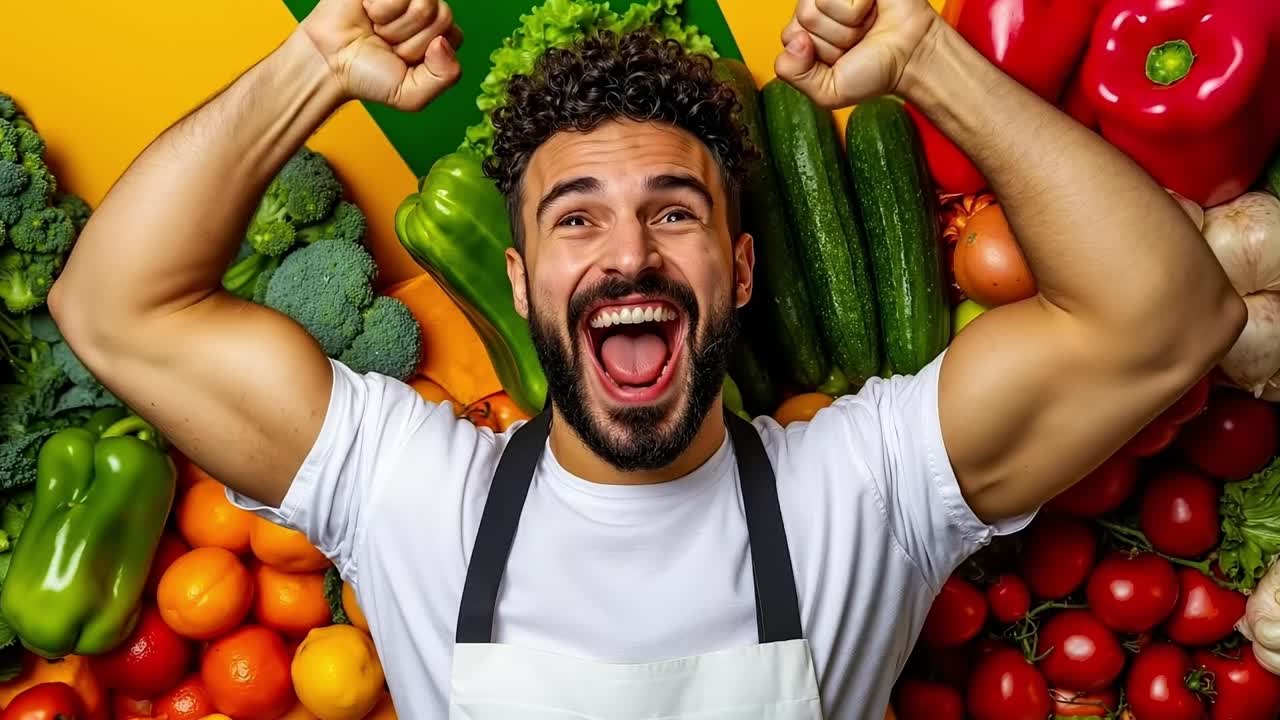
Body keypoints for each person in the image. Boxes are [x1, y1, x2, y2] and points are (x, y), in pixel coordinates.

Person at [50, 0, 1245, 716]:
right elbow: (112, 308)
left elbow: (1169, 319)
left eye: (672, 212)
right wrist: (312, 66)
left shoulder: (867, 485)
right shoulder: (407, 494)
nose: (626, 254)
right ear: (520, 283)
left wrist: (927, 57)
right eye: (574, 219)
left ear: (739, 270)